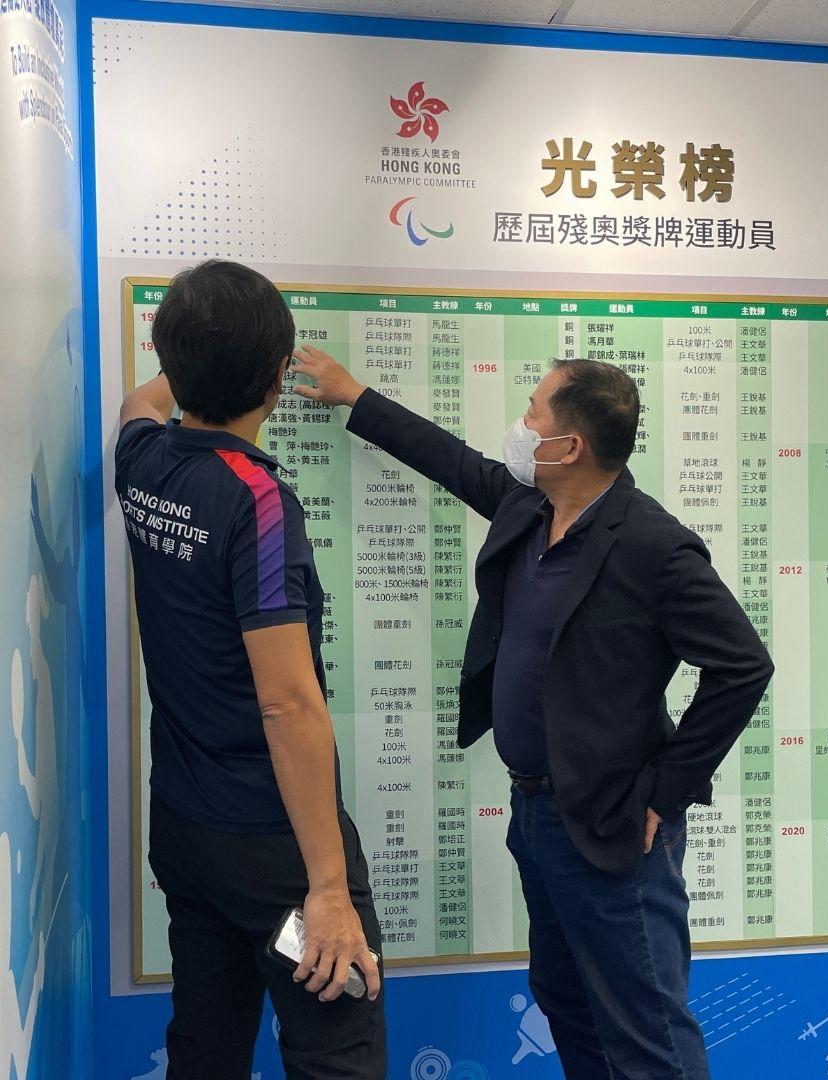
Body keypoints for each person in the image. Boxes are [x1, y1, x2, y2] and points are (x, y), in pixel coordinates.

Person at [291, 345, 775, 1080]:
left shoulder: (652, 546)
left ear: (570, 444)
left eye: (532, 411)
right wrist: (356, 397)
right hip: (538, 817)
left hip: (612, 826)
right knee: (567, 1000)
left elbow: (743, 665)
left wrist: (669, 790)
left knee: (645, 1028)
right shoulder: (531, 507)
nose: (519, 426)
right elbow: (453, 462)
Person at [115, 262, 384, 1080]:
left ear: (173, 357)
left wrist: (192, 357)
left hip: (187, 830)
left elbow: (141, 402)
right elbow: (288, 703)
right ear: (277, 374)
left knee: (206, 1044)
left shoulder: (143, 460)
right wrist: (328, 888)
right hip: (274, 847)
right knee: (337, 1057)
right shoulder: (256, 500)